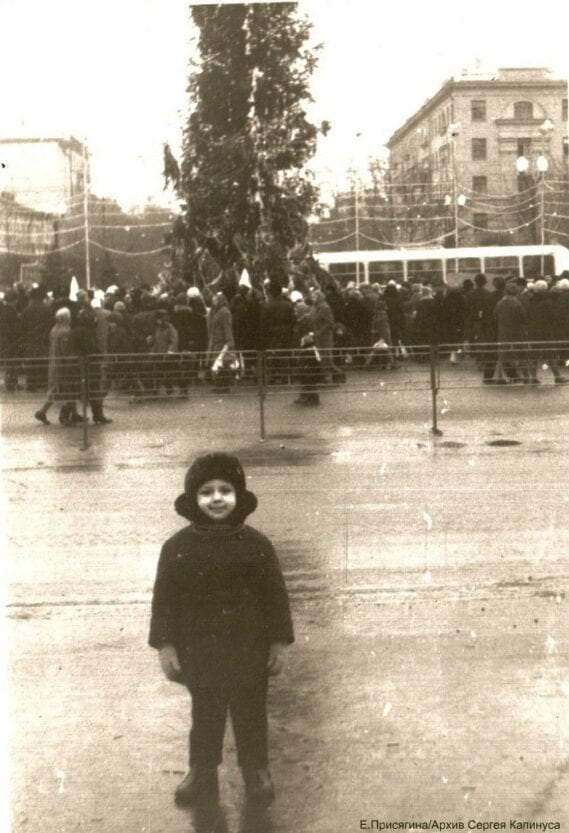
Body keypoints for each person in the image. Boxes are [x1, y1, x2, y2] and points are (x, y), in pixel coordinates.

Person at [149, 453, 294, 806]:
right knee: (205, 713)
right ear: (193, 500)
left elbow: (275, 596)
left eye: (225, 490)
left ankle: (256, 770)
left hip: (249, 648)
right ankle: (200, 769)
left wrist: (278, 642)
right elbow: (164, 600)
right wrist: (166, 647)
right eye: (206, 492)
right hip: (200, 650)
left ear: (238, 496)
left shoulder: (257, 545)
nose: (216, 498)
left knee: (250, 711)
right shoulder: (177, 547)